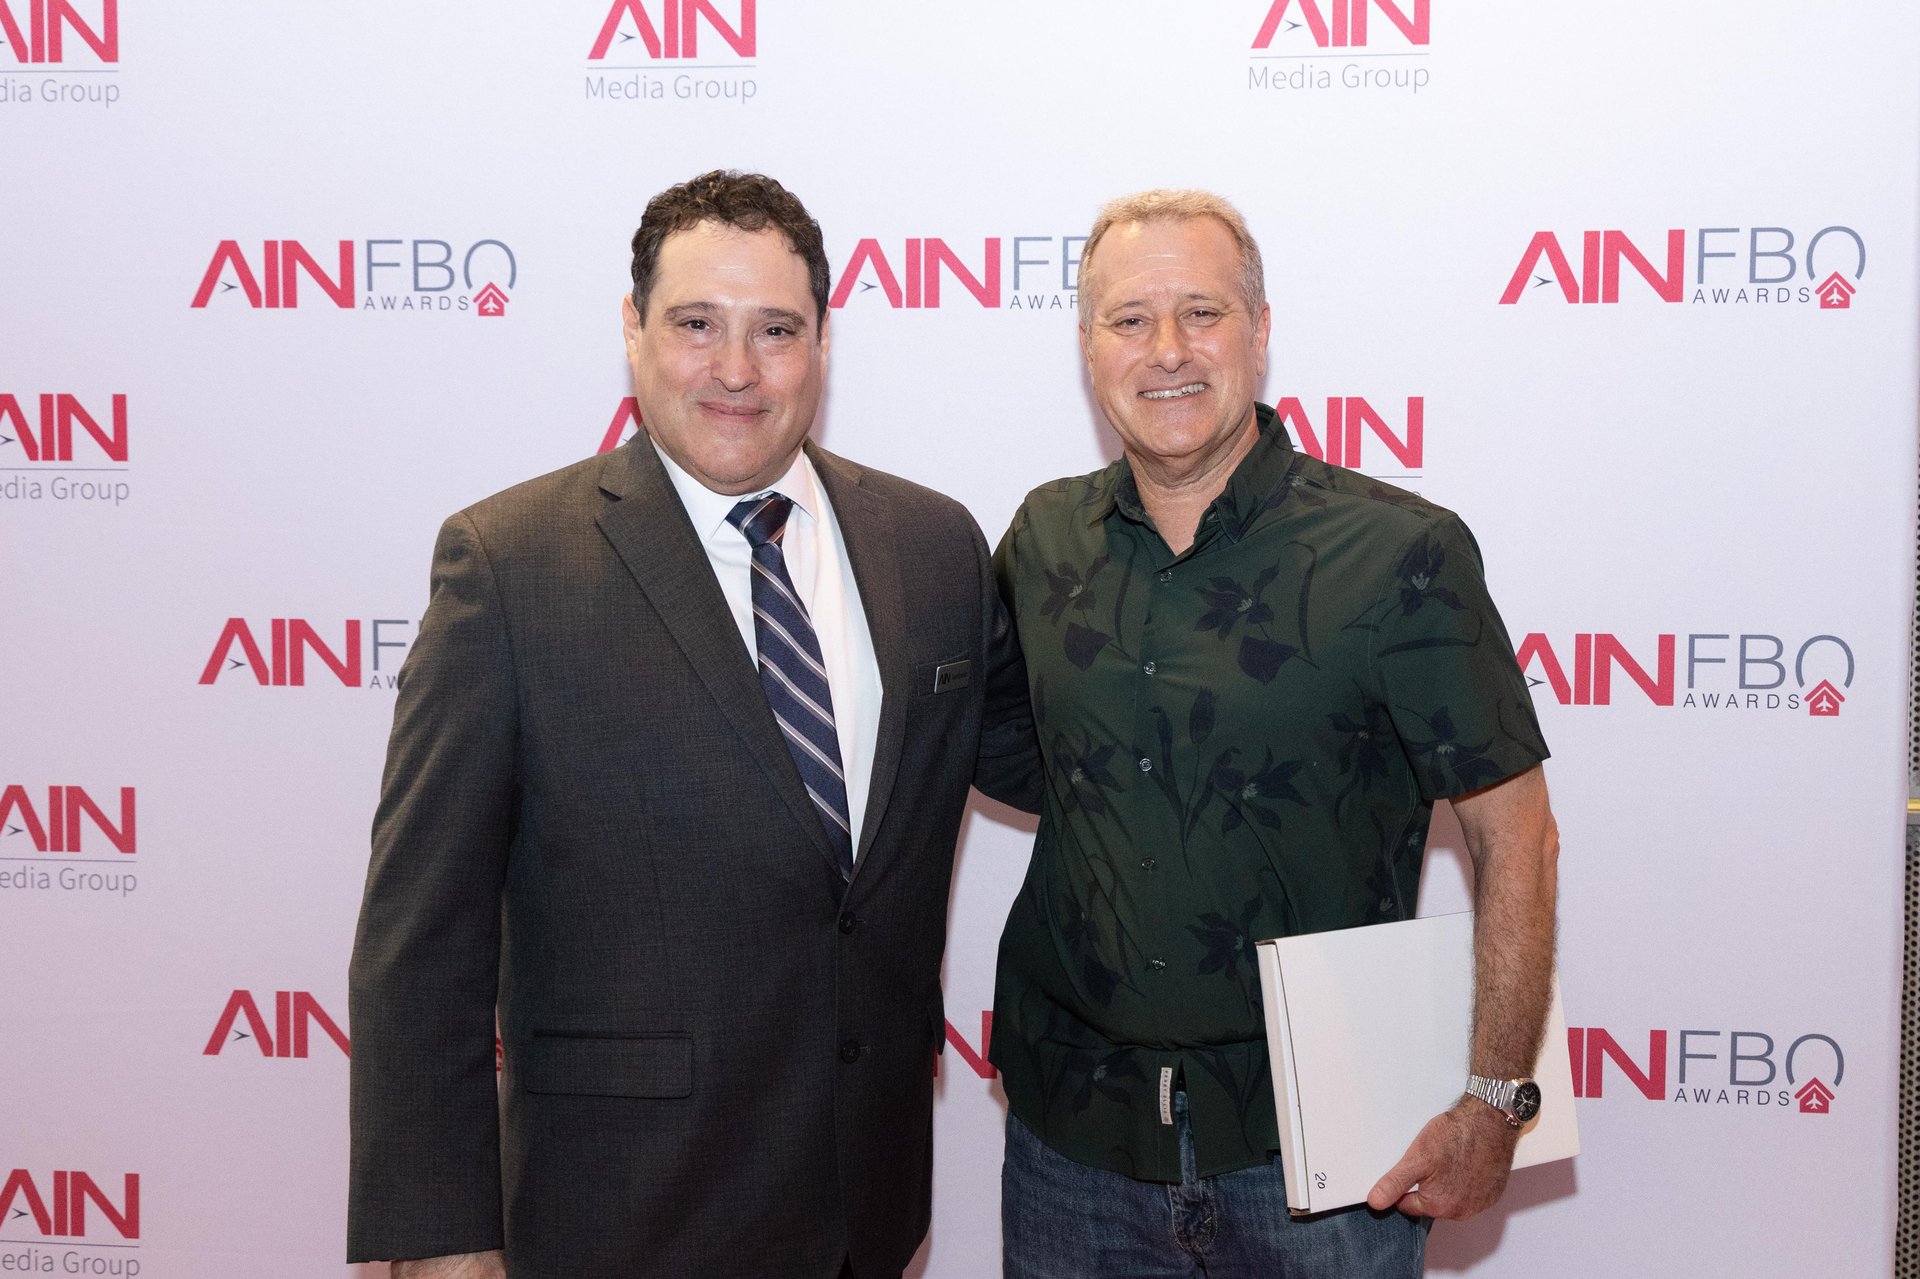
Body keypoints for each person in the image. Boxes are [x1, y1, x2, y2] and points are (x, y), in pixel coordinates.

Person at [346, 170, 1037, 1279]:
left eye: (775, 329)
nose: (736, 369)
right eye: (696, 325)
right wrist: (438, 1235)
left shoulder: (932, 544)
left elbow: (1061, 762)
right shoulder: (512, 564)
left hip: (867, 1207)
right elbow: (421, 937)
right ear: (631, 331)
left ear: (821, 340)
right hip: (621, 1216)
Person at [988, 189, 1560, 1278]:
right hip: (1075, 1150)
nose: (1167, 350)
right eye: (1128, 319)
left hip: (1330, 1166)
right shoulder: (1043, 539)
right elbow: (1018, 756)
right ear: (1087, 345)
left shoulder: (1401, 555)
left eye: (1201, 312)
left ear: (1259, 329)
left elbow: (1517, 836)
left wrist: (1493, 1101)